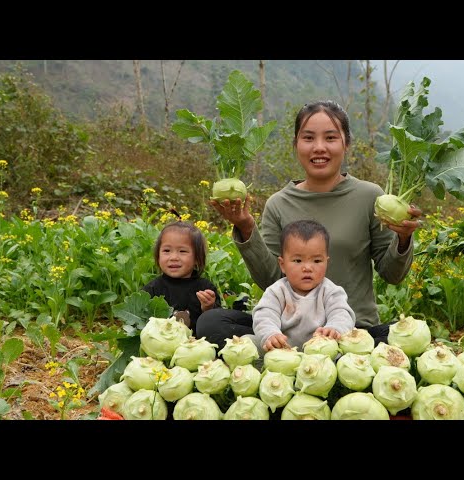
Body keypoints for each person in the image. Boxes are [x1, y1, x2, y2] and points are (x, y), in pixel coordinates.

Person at [208, 100, 422, 345]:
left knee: (403, 332)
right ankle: (288, 350)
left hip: (353, 331)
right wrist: (245, 227)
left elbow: (392, 275)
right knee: (213, 323)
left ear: (346, 143)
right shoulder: (279, 203)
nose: (319, 148)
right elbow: (271, 279)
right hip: (288, 330)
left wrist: (403, 239)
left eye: (330, 138)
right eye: (308, 138)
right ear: (296, 144)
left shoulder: (370, 196)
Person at [252, 219, 355, 351]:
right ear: (282, 265)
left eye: (317, 261)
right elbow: (265, 315)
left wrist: (335, 328)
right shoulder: (277, 292)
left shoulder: (331, 291)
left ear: (326, 263)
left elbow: (341, 313)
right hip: (285, 353)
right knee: (249, 340)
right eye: (298, 260)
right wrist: (271, 334)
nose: (307, 267)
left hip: (323, 354)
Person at [142, 221, 252, 344]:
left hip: (198, 347)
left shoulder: (205, 288)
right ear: (158, 256)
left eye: (182, 251)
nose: (173, 257)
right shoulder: (151, 289)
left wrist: (208, 307)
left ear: (197, 259)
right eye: (166, 251)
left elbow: (215, 321)